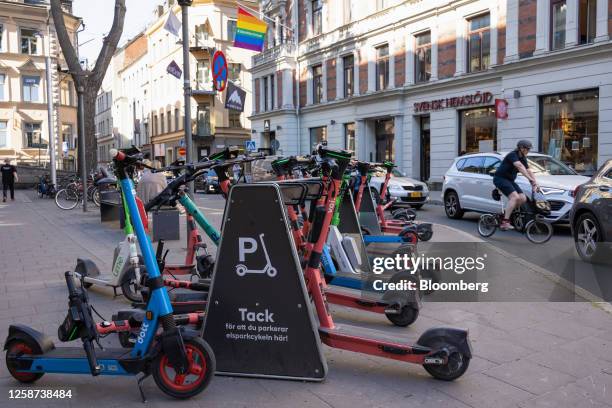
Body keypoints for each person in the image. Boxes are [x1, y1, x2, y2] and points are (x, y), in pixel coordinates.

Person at [493, 140, 539, 230]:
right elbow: (519, 166)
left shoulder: (523, 158)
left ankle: (507, 215)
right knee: (515, 197)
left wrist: (535, 182)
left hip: (510, 180)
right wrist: (529, 179)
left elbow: (529, 170)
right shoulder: (512, 155)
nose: (528, 151)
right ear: (521, 148)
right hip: (500, 179)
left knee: (523, 198)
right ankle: (505, 222)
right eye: (527, 149)